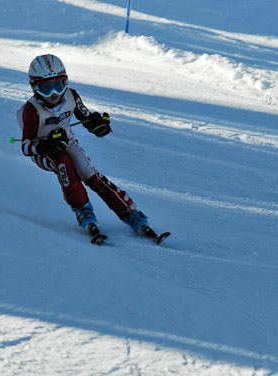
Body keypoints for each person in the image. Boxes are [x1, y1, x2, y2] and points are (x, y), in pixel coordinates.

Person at [16, 54, 167, 244]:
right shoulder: (31, 110)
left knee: (92, 176)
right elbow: (26, 146)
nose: (54, 93)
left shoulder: (72, 96)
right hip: (43, 150)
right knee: (64, 165)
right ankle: (83, 211)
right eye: (46, 88)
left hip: (66, 140)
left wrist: (97, 125)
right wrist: (46, 145)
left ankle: (130, 213)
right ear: (35, 88)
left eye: (59, 85)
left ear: (66, 82)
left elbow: (87, 118)